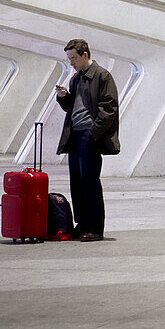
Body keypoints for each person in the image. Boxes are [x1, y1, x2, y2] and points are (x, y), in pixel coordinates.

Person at [55, 39, 120, 242]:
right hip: (75, 136)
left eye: (73, 58)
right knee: (77, 184)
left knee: (90, 183)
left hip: (89, 136)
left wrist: (93, 133)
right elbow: (72, 107)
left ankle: (95, 228)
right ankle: (82, 224)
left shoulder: (102, 76)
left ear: (85, 55)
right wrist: (64, 97)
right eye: (69, 58)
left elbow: (109, 107)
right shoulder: (76, 79)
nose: (71, 62)